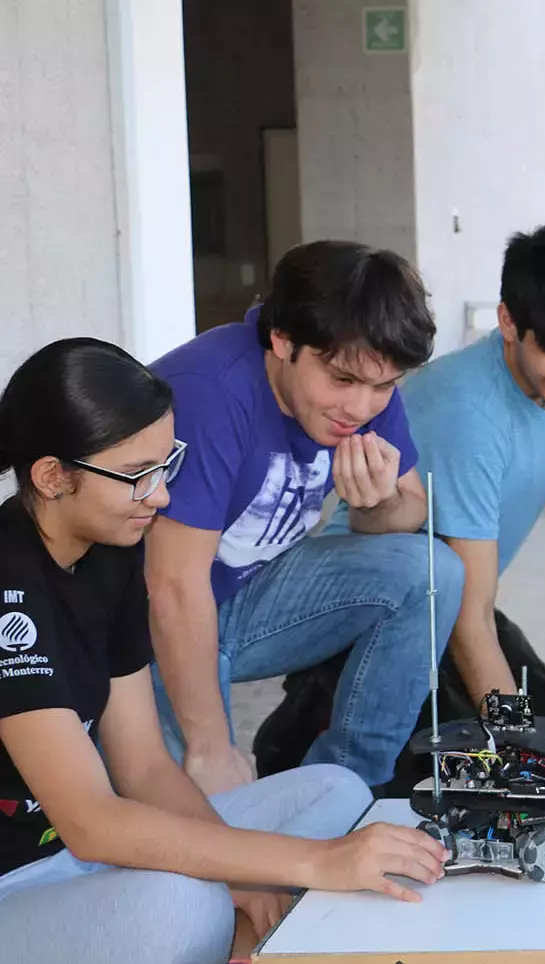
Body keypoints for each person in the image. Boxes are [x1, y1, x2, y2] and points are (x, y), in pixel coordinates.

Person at [0, 339, 447, 964]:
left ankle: (234, 949)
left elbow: (141, 767)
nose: (161, 494)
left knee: (337, 794)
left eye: (167, 464)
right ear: (52, 476)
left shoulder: (104, 557)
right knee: (182, 909)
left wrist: (250, 871)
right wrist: (309, 865)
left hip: (46, 872)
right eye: (137, 474)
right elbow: (95, 823)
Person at [302, 222, 545, 798]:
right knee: (466, 788)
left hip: (453, 606)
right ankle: (307, 721)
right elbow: (468, 621)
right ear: (508, 322)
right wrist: (523, 753)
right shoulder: (467, 413)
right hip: (367, 620)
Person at [145, 240, 464, 797]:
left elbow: (411, 506)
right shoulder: (210, 393)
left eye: (384, 385)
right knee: (206, 821)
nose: (361, 408)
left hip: (249, 588)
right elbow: (170, 587)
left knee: (433, 569)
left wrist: (377, 502)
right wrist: (211, 747)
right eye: (343, 381)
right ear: (282, 340)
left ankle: (342, 792)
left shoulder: (365, 387)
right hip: (144, 617)